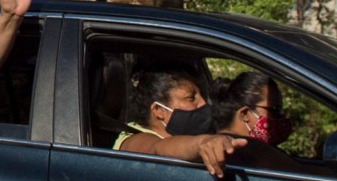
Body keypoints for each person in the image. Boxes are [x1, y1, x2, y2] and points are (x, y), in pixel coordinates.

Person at [112, 67, 245, 173]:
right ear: (159, 110)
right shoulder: (134, 140)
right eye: (191, 98)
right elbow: (158, 148)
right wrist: (202, 143)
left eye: (203, 96)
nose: (203, 103)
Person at [182, 69, 305, 171]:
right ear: (245, 114)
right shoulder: (252, 148)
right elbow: (302, 173)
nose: (279, 118)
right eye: (273, 110)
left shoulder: (219, 141)